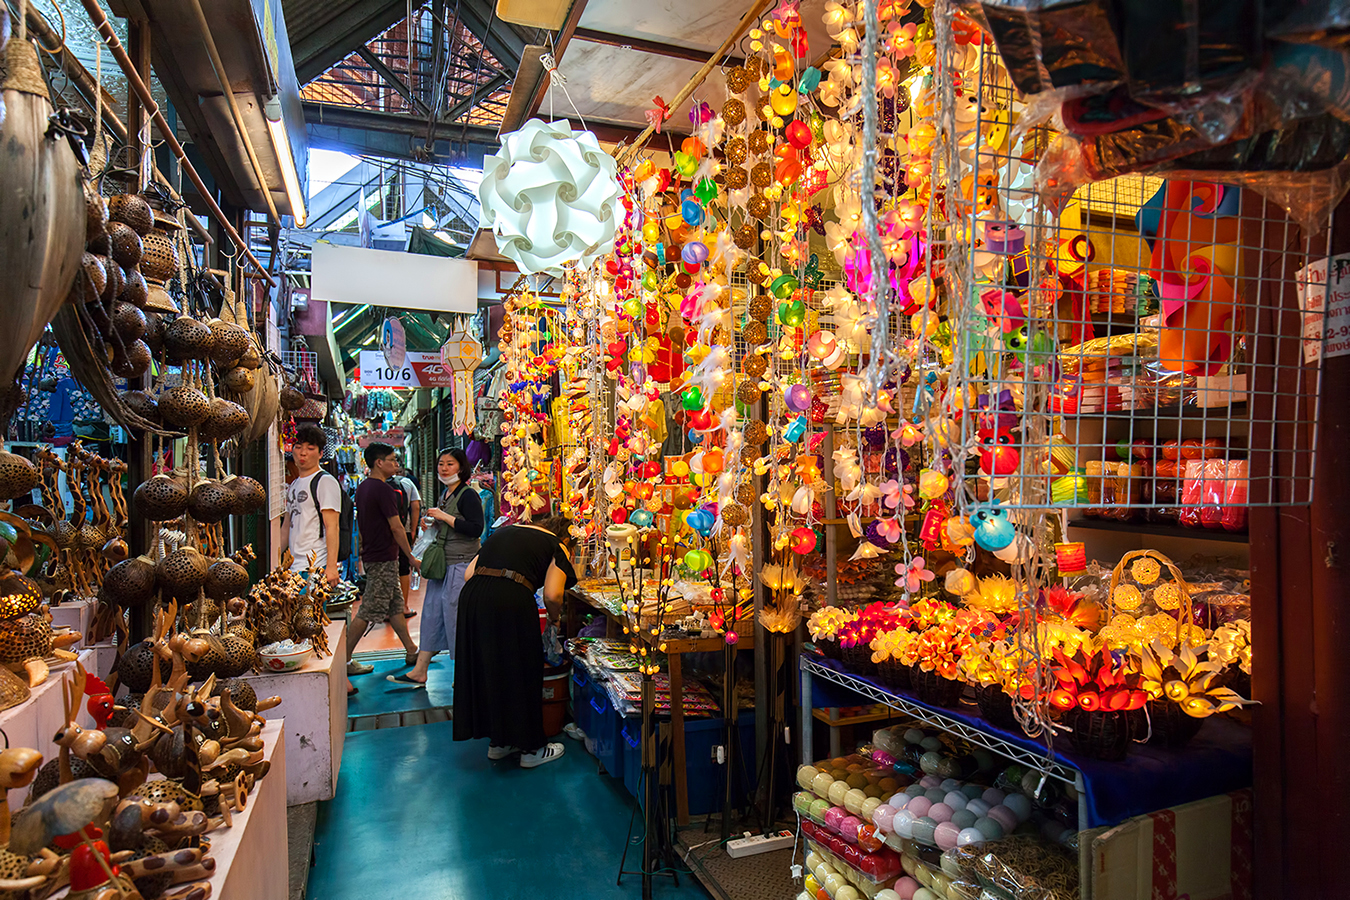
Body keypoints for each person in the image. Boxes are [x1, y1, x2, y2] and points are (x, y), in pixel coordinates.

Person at [453, 516, 577, 768]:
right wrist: (555, 619)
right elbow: (553, 594)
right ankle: (532, 748)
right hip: (510, 599)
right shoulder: (558, 545)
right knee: (521, 668)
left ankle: (499, 742)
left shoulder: (504, 532)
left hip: (473, 599)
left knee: (489, 668)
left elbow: (468, 574)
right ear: (567, 539)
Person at [388, 448, 483, 687]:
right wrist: (432, 522)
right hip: (443, 566)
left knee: (456, 619)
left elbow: (475, 529)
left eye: (449, 464)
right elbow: (448, 526)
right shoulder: (446, 494)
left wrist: (445, 517)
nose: (443, 468)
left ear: (461, 468)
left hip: (460, 565)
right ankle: (420, 671)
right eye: (441, 464)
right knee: (431, 616)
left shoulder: (468, 495)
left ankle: (464, 674)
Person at [346, 442, 420, 694]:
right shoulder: (384, 490)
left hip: (374, 555)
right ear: (379, 462)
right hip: (383, 557)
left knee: (395, 606)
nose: (396, 464)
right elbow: (397, 527)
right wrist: (410, 556)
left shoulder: (364, 487)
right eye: (392, 459)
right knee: (369, 610)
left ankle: (411, 650)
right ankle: (343, 659)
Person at [279, 424, 341, 589]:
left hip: (315, 568)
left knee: (311, 614)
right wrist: (275, 557)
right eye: (298, 447)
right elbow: (286, 526)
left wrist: (332, 566)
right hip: (294, 569)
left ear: (320, 453)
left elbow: (332, 526)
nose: (303, 453)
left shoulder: (325, 482)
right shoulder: (294, 485)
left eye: (310, 448)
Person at [390, 463, 422, 619]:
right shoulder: (407, 483)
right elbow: (415, 506)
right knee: (404, 567)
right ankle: (403, 606)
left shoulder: (377, 482)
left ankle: (389, 607)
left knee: (388, 566)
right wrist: (413, 529)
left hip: (385, 532)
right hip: (405, 529)